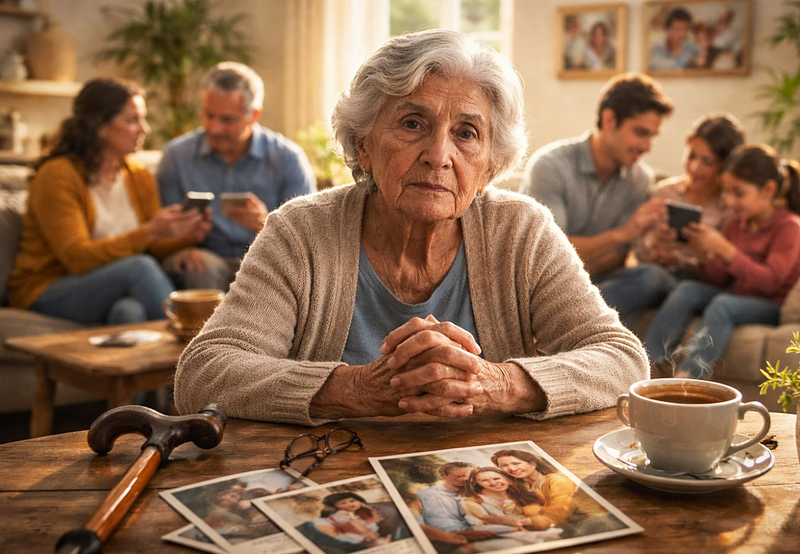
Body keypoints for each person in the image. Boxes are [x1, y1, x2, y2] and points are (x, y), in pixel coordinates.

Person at [174, 29, 648, 425]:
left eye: (467, 133)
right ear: (363, 145)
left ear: (489, 165)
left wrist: (494, 383)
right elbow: (205, 372)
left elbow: (622, 358)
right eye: (413, 123)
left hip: (490, 480)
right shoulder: (300, 232)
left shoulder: (522, 232)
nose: (439, 155)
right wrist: (357, 389)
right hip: (329, 475)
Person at [8, 78, 208, 324]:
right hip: (48, 288)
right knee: (139, 268)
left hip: (107, 284)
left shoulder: (138, 175)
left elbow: (150, 245)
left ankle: (134, 363)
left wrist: (186, 236)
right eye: (132, 120)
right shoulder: (58, 175)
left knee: (128, 311)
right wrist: (150, 231)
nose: (144, 129)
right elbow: (78, 258)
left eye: (142, 119)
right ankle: (199, 348)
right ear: (100, 126)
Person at [518, 72, 674, 327]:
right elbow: (549, 258)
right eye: (641, 133)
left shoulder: (640, 179)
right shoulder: (550, 166)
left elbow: (616, 259)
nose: (647, 146)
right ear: (609, 119)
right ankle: (581, 327)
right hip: (544, 285)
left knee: (656, 279)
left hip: (600, 284)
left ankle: (574, 324)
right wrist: (624, 234)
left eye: (652, 136)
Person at [157, 62, 316, 290]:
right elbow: (161, 236)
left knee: (268, 271)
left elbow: (308, 239)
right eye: (208, 115)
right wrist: (184, 241)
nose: (214, 128)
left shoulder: (287, 158)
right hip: (205, 257)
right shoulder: (177, 156)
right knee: (201, 266)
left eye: (227, 120)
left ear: (254, 115)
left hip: (265, 258)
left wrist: (265, 224)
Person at [645, 144, 800, 379]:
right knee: (687, 289)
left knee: (723, 305)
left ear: (768, 190)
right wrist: (703, 254)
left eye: (738, 193)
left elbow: (770, 282)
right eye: (726, 192)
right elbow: (719, 278)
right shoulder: (736, 224)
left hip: (769, 304)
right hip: (737, 294)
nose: (729, 201)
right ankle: (648, 364)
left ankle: (689, 377)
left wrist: (726, 250)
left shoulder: (789, 227)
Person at [627, 114, 746, 325]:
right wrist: (655, 246)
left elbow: (730, 272)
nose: (694, 167)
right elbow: (638, 252)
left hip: (698, 285)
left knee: (652, 278)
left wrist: (686, 260)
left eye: (707, 162)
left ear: (725, 167)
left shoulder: (732, 208)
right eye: (692, 155)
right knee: (646, 275)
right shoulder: (665, 193)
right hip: (656, 278)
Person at [491, 449, 624, 537]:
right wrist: (521, 511)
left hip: (594, 525)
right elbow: (543, 508)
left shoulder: (556, 480)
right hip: (569, 526)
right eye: (503, 466)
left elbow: (559, 508)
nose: (511, 468)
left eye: (516, 463)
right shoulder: (530, 486)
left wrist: (534, 520)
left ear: (532, 464)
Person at [462, 467, 562, 546]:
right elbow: (475, 526)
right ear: (477, 484)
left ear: (508, 480)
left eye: (496, 478)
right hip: (502, 537)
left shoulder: (527, 495)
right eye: (484, 480)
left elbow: (547, 516)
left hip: (536, 531)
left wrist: (533, 520)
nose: (493, 483)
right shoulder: (475, 502)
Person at [649, 7, 699, 71]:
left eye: (685, 29)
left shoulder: (692, 49)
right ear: (668, 29)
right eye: (677, 29)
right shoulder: (656, 50)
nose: (682, 34)